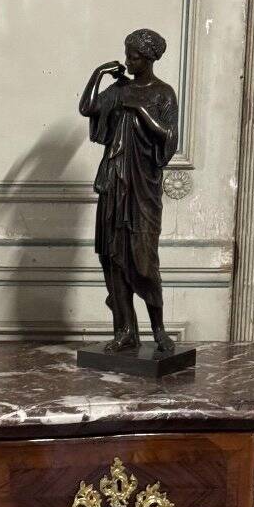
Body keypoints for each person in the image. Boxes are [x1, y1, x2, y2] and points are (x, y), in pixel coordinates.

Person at [79, 28, 178, 353]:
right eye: (126, 55)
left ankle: (159, 330)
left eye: (133, 56)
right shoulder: (118, 89)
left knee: (144, 260)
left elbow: (170, 138)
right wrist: (99, 74)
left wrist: (141, 113)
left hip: (142, 189)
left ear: (149, 58)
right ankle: (124, 330)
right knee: (113, 259)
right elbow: (87, 108)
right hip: (114, 183)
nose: (127, 61)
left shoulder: (164, 94)